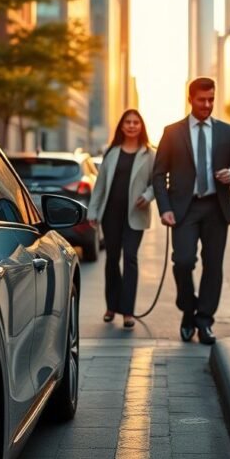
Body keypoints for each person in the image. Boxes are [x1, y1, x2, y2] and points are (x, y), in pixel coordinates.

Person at [152, 77, 230, 345]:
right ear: (190, 99)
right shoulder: (172, 132)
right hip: (184, 209)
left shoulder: (226, 131)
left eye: (211, 100)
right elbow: (158, 174)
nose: (207, 105)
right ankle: (188, 309)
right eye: (202, 100)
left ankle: (204, 321)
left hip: (216, 207)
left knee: (213, 266)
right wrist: (164, 208)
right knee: (183, 261)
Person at [87, 109, 155, 329]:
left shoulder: (149, 154)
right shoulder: (112, 152)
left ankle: (127, 311)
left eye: (136, 122)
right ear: (122, 126)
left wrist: (148, 195)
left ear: (141, 126)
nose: (132, 125)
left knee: (131, 259)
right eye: (128, 122)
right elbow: (100, 184)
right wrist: (93, 212)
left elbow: (157, 182)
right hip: (111, 214)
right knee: (112, 259)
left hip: (135, 215)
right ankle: (111, 307)